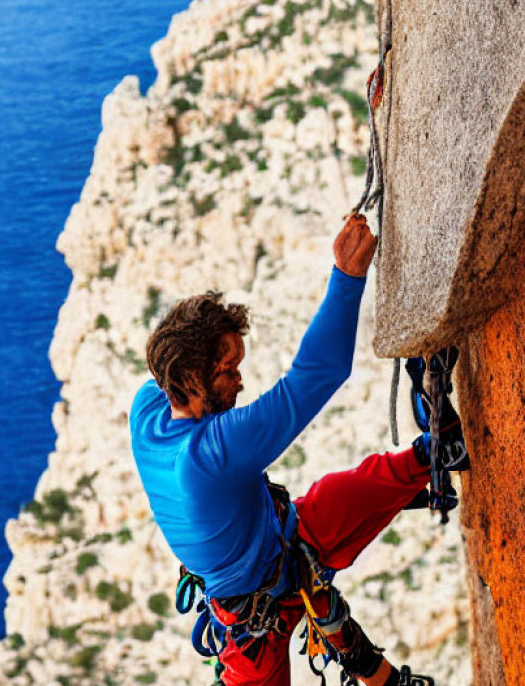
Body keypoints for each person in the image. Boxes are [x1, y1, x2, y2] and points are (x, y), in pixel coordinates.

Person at [129, 214, 465, 686]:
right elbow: (315, 376)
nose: (239, 379)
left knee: (355, 488)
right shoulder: (212, 456)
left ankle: (434, 454)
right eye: (227, 370)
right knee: (346, 500)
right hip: (252, 622)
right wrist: (347, 278)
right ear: (189, 379)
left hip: (288, 542)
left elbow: (166, 362)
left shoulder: (147, 408)